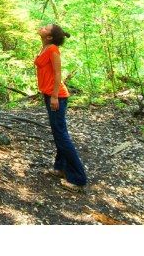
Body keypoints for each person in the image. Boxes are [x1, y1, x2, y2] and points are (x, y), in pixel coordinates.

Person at [34, 23, 87, 191]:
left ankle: (78, 178)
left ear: (49, 36)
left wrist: (55, 96)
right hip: (48, 93)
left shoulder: (53, 50)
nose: (42, 27)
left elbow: (58, 73)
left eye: (46, 28)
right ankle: (60, 168)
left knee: (61, 135)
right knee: (58, 133)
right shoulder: (45, 47)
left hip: (57, 96)